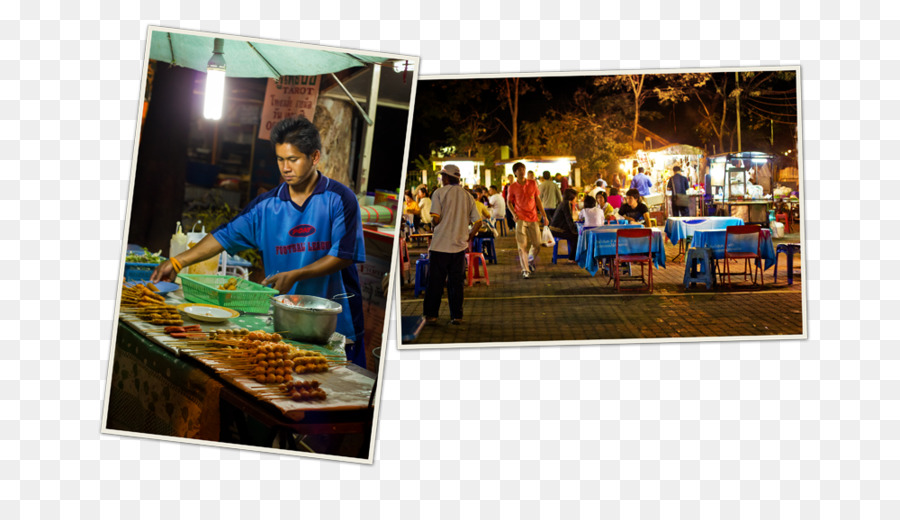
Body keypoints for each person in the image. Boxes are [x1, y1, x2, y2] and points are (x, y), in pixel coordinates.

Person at [150, 115, 367, 366]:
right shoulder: (266, 207)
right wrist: (177, 262)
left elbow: (344, 255)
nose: (285, 167)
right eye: (280, 159)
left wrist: (295, 274)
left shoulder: (340, 199)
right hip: (285, 321)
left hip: (337, 324)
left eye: (293, 160)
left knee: (342, 395)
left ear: (315, 157)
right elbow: (224, 236)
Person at [423, 164, 482, 326]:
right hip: (459, 246)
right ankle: (456, 316)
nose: (441, 179)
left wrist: (436, 225)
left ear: (447, 178)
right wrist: (469, 236)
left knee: (435, 282)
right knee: (456, 283)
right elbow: (478, 222)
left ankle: (431, 315)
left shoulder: (439, 193)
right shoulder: (468, 196)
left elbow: (435, 218)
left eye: (442, 176)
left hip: (440, 245)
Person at [508, 162, 549, 279]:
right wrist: (514, 214)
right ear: (515, 172)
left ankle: (530, 260)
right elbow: (509, 202)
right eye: (519, 169)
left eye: (523, 169)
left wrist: (544, 216)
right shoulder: (512, 187)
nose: (522, 171)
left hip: (533, 217)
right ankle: (525, 269)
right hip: (520, 218)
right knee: (522, 246)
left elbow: (537, 200)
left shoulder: (532, 183)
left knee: (537, 243)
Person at [548, 188, 580, 264]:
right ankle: (571, 258)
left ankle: (573, 256)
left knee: (575, 235)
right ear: (571, 197)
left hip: (556, 228)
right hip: (557, 230)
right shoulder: (566, 204)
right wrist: (575, 230)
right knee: (577, 236)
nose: (576, 199)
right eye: (575, 197)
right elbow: (569, 219)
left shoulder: (564, 203)